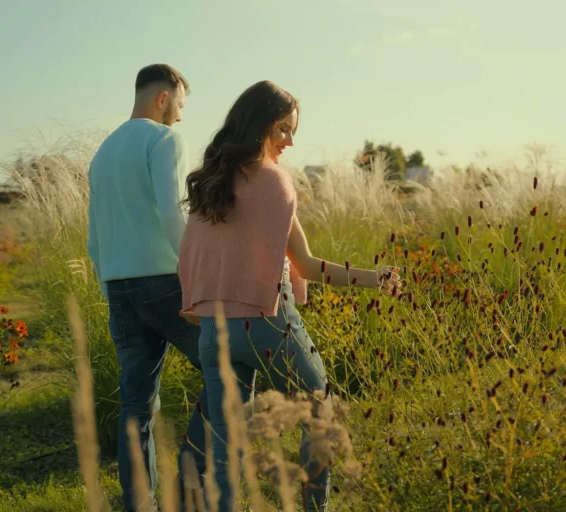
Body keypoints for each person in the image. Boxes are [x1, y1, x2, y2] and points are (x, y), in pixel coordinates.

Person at [176, 80, 402, 512]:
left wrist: (196, 302)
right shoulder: (276, 182)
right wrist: (379, 280)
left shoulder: (209, 183)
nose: (290, 141)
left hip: (212, 331)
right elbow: (308, 266)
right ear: (257, 124)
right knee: (320, 415)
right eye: (282, 128)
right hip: (267, 325)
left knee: (224, 444)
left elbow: (190, 253)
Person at [86, 63, 211, 512]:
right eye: (180, 104)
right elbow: (171, 214)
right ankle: (195, 489)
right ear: (164, 96)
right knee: (228, 371)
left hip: (118, 287)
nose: (180, 116)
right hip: (165, 284)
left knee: (136, 406)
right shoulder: (164, 140)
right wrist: (196, 279)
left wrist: (111, 293)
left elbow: (93, 239)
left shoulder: (102, 153)